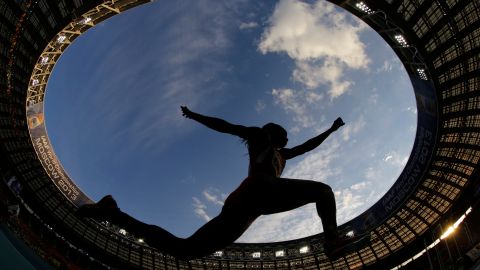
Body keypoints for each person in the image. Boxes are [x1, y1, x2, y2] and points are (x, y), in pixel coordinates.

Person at [77, 106, 350, 260]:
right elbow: (226, 126)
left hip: (247, 207)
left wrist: (330, 130)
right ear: (273, 132)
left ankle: (113, 214)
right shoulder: (260, 136)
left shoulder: (283, 154)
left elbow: (308, 146)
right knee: (322, 191)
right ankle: (332, 242)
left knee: (185, 250)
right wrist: (195, 116)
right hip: (257, 189)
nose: (289, 140)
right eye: (285, 135)